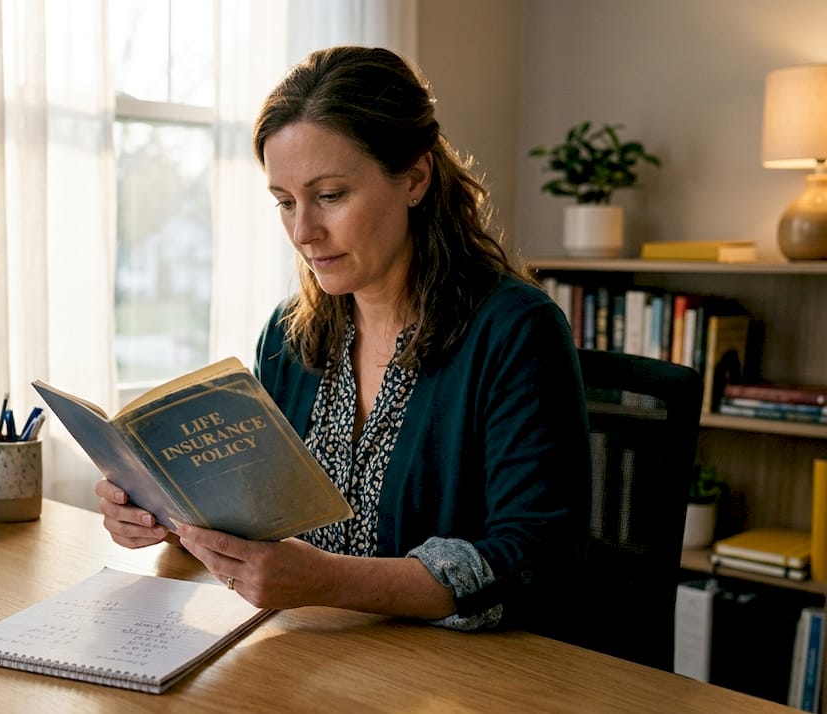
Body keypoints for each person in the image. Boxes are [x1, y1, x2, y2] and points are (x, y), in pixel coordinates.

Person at [94, 46, 590, 631]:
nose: (304, 231)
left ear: (414, 177)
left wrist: (328, 580)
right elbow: (252, 523)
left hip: (462, 679)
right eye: (285, 202)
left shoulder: (516, 331)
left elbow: (531, 556)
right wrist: (164, 518)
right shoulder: (288, 337)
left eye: (330, 196)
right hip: (313, 654)